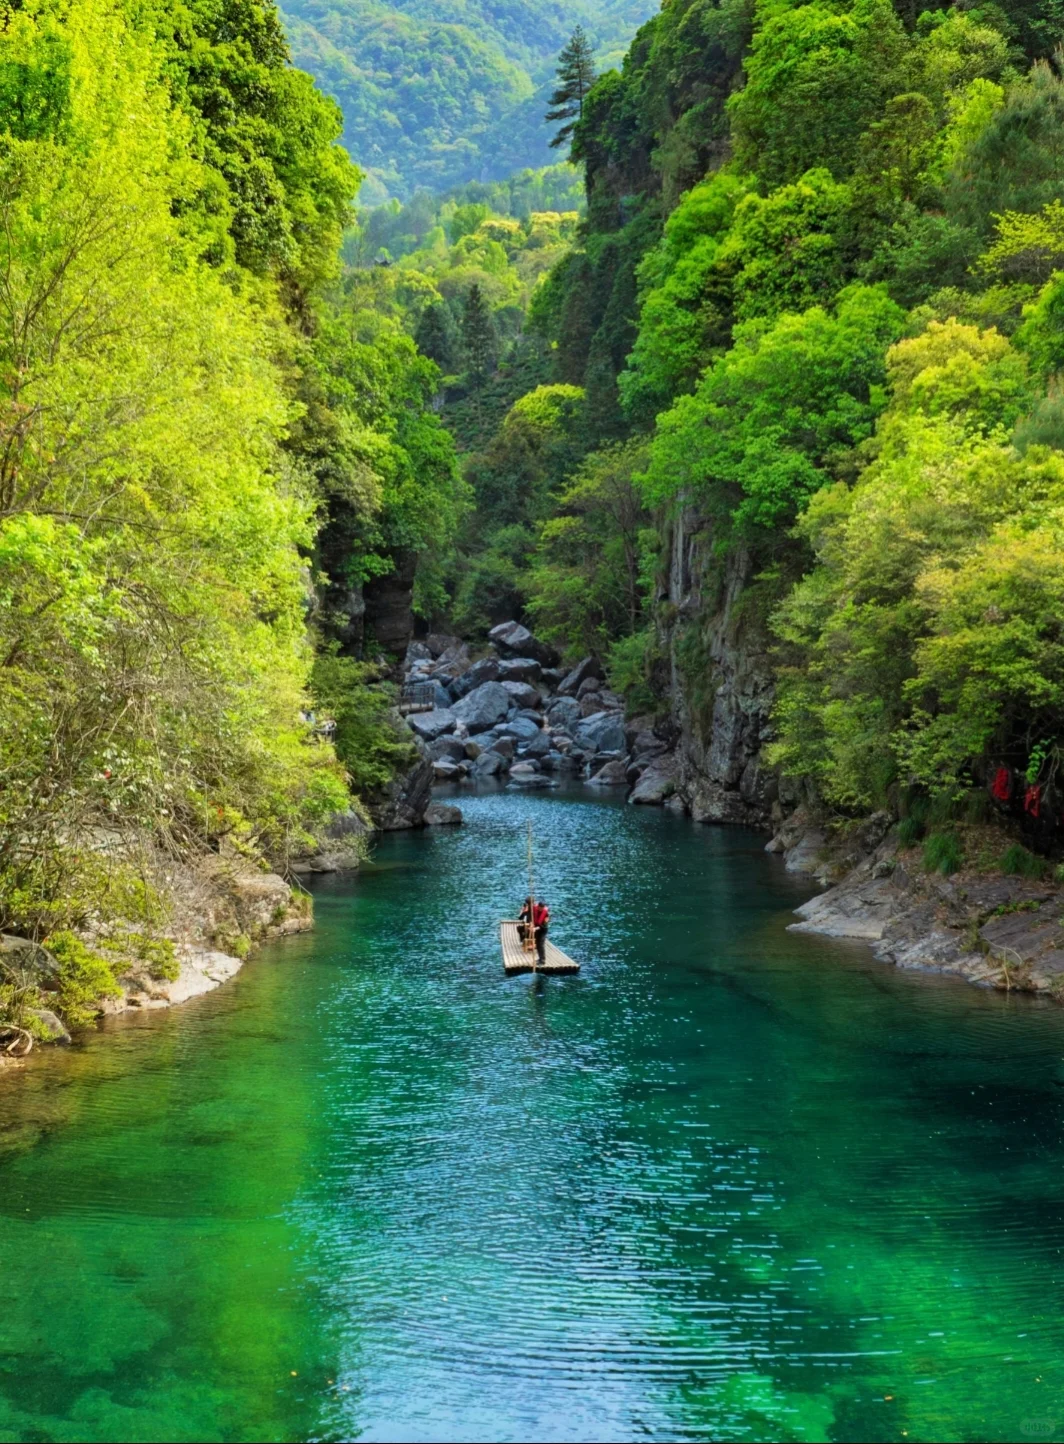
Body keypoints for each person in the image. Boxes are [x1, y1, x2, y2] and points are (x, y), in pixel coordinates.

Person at [519, 896, 550, 963]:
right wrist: (531, 923)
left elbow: (544, 925)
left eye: (541, 908)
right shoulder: (534, 909)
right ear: (538, 906)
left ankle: (542, 960)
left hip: (542, 930)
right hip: (536, 929)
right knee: (538, 944)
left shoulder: (546, 914)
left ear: (543, 908)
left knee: (541, 944)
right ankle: (539, 959)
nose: (540, 909)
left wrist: (535, 928)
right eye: (539, 907)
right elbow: (529, 915)